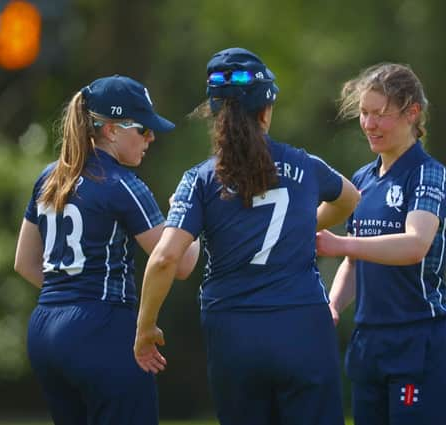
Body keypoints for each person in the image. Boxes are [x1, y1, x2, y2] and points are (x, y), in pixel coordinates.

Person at [133, 47, 360, 425]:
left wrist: (145, 327)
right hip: (303, 324)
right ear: (265, 111)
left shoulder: (199, 179)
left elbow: (163, 258)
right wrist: (304, 225)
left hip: (234, 330)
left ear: (215, 114)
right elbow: (350, 198)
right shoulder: (305, 164)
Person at [13, 75, 200, 425]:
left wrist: (71, 298)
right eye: (143, 129)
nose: (151, 138)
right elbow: (181, 262)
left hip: (44, 331)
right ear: (112, 130)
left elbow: (24, 262)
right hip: (102, 328)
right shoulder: (122, 184)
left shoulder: (50, 176)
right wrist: (189, 214)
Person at [316, 63, 446, 425]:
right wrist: (333, 306)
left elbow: (415, 245)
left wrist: (342, 245)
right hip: (369, 344)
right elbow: (353, 263)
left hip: (419, 340)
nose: (369, 124)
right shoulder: (362, 179)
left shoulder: (429, 174)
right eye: (364, 113)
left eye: (380, 114)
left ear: (412, 113)